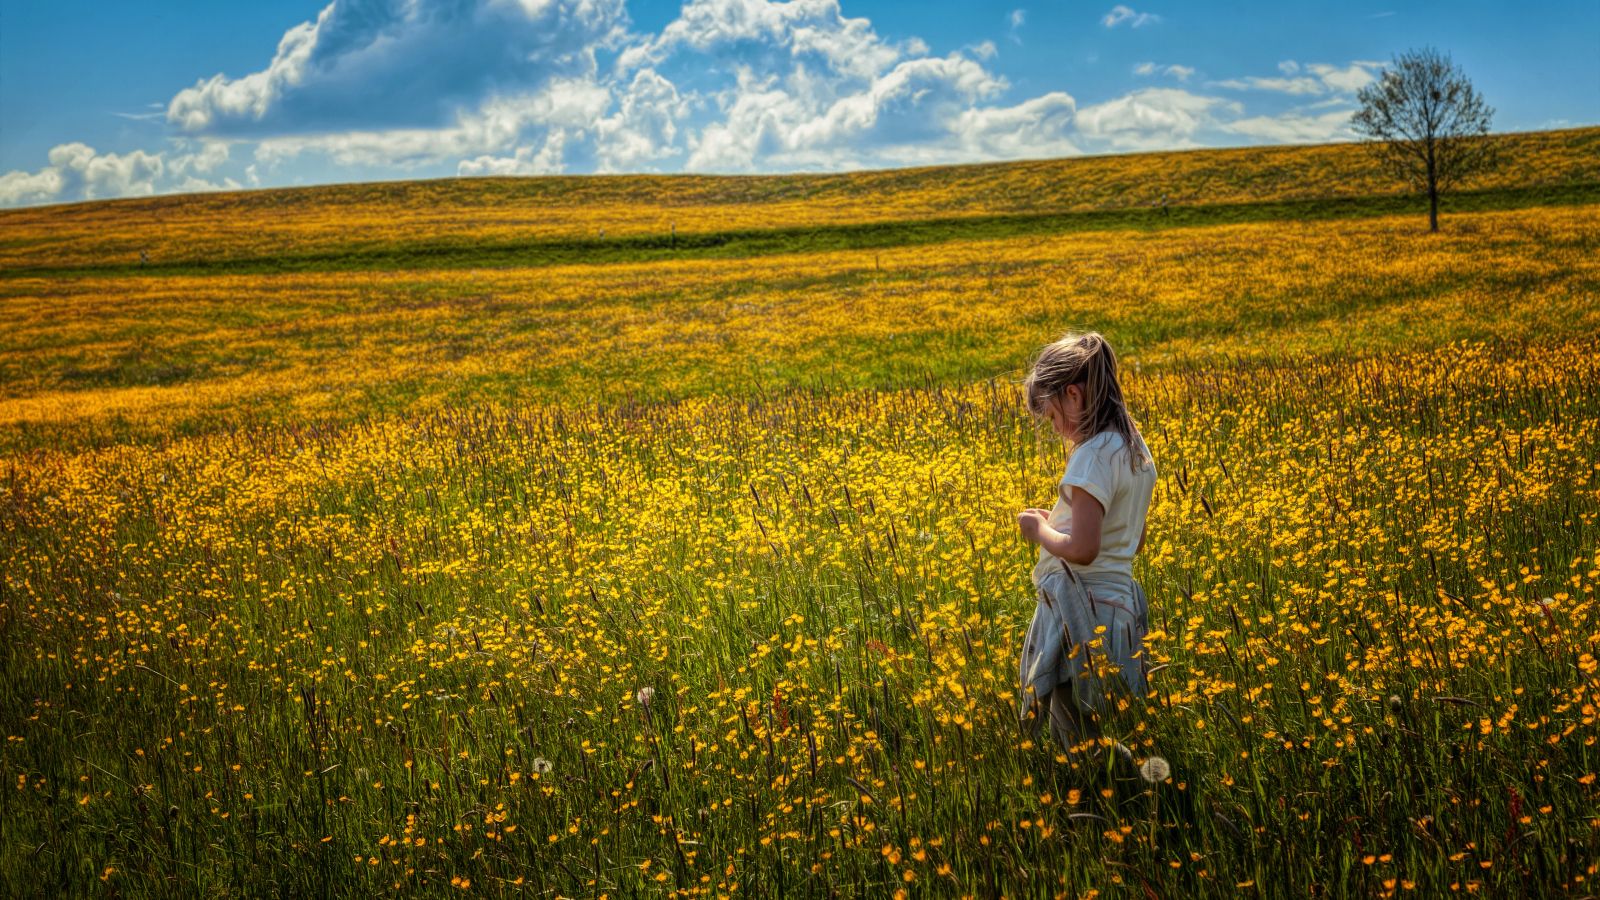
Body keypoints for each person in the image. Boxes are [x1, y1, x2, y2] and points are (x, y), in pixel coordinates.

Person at [1015, 331, 1158, 756]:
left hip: (1083, 617)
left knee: (1077, 742)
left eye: (1053, 417)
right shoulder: (1134, 450)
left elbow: (1083, 549)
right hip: (1119, 613)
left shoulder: (1092, 454)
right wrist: (1060, 521)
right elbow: (1130, 541)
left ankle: (1120, 795)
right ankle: (1130, 792)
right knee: (1104, 730)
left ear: (1074, 395)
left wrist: (1039, 531)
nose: (1057, 429)